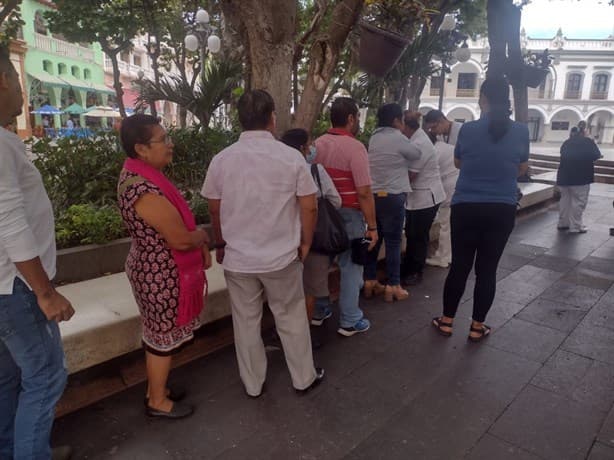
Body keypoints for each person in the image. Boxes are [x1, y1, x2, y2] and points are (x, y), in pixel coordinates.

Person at [202, 90, 324, 397]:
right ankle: (303, 378)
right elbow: (309, 206)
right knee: (291, 316)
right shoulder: (290, 157)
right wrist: (305, 242)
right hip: (281, 256)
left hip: (238, 259)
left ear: (240, 120)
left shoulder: (221, 160)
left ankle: (253, 384)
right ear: (272, 118)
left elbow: (214, 209)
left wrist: (220, 244)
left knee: (245, 322)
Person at [0, 46, 75, 460]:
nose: (21, 88)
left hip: (4, 289)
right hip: (17, 289)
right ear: (2, 80)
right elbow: (9, 221)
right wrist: (44, 292)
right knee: (45, 378)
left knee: (9, 379)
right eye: (15, 74)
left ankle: (20, 450)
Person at [118, 114, 211, 419]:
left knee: (160, 335)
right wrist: (202, 237)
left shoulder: (145, 176)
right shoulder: (142, 188)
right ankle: (157, 400)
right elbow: (180, 240)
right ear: (141, 149)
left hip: (158, 269)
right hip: (159, 275)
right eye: (163, 140)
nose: (170, 145)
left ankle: (155, 390)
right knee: (160, 340)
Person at [432, 77, 529, 342]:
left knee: (460, 267)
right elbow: (522, 168)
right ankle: (477, 327)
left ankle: (447, 322)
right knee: (487, 270)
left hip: (467, 206)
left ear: (483, 99)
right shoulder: (521, 131)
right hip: (502, 209)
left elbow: (459, 162)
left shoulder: (468, 129)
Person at [314, 97, 378, 336]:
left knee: (321, 264)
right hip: (349, 216)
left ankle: (319, 311)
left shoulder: (317, 144)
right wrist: (372, 226)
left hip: (321, 217)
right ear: (351, 119)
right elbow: (363, 191)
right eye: (358, 117)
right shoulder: (355, 147)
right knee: (351, 267)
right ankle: (350, 320)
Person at [280, 128, 341, 326]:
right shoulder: (314, 170)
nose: (311, 149)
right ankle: (304, 332)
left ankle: (285, 331)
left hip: (282, 239)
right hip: (313, 238)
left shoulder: (275, 170)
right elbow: (336, 201)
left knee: (286, 291)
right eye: (309, 145)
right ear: (301, 148)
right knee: (309, 290)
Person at [364, 103, 420, 302]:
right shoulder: (399, 138)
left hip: (373, 196)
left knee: (373, 240)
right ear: (397, 120)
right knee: (394, 243)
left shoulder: (374, 137)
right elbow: (417, 154)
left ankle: (369, 281)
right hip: (393, 196)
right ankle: (393, 286)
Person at [401, 111, 445, 286]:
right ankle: (409, 267)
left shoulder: (420, 144)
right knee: (411, 232)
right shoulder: (412, 140)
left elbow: (411, 174)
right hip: (416, 197)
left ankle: (416, 271)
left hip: (427, 196)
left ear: (407, 126)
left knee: (418, 234)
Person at [556, 126, 602, 234]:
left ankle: (563, 223)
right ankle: (575, 226)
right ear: (584, 132)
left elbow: (563, 154)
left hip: (564, 176)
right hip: (581, 177)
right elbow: (596, 155)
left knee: (565, 200)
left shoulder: (567, 142)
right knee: (578, 201)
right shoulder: (588, 142)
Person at [426, 135, 458, 268]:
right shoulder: (446, 147)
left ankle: (443, 258)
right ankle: (448, 255)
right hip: (457, 186)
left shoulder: (434, 151)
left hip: (449, 189)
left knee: (446, 224)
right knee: (450, 224)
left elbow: (427, 173)